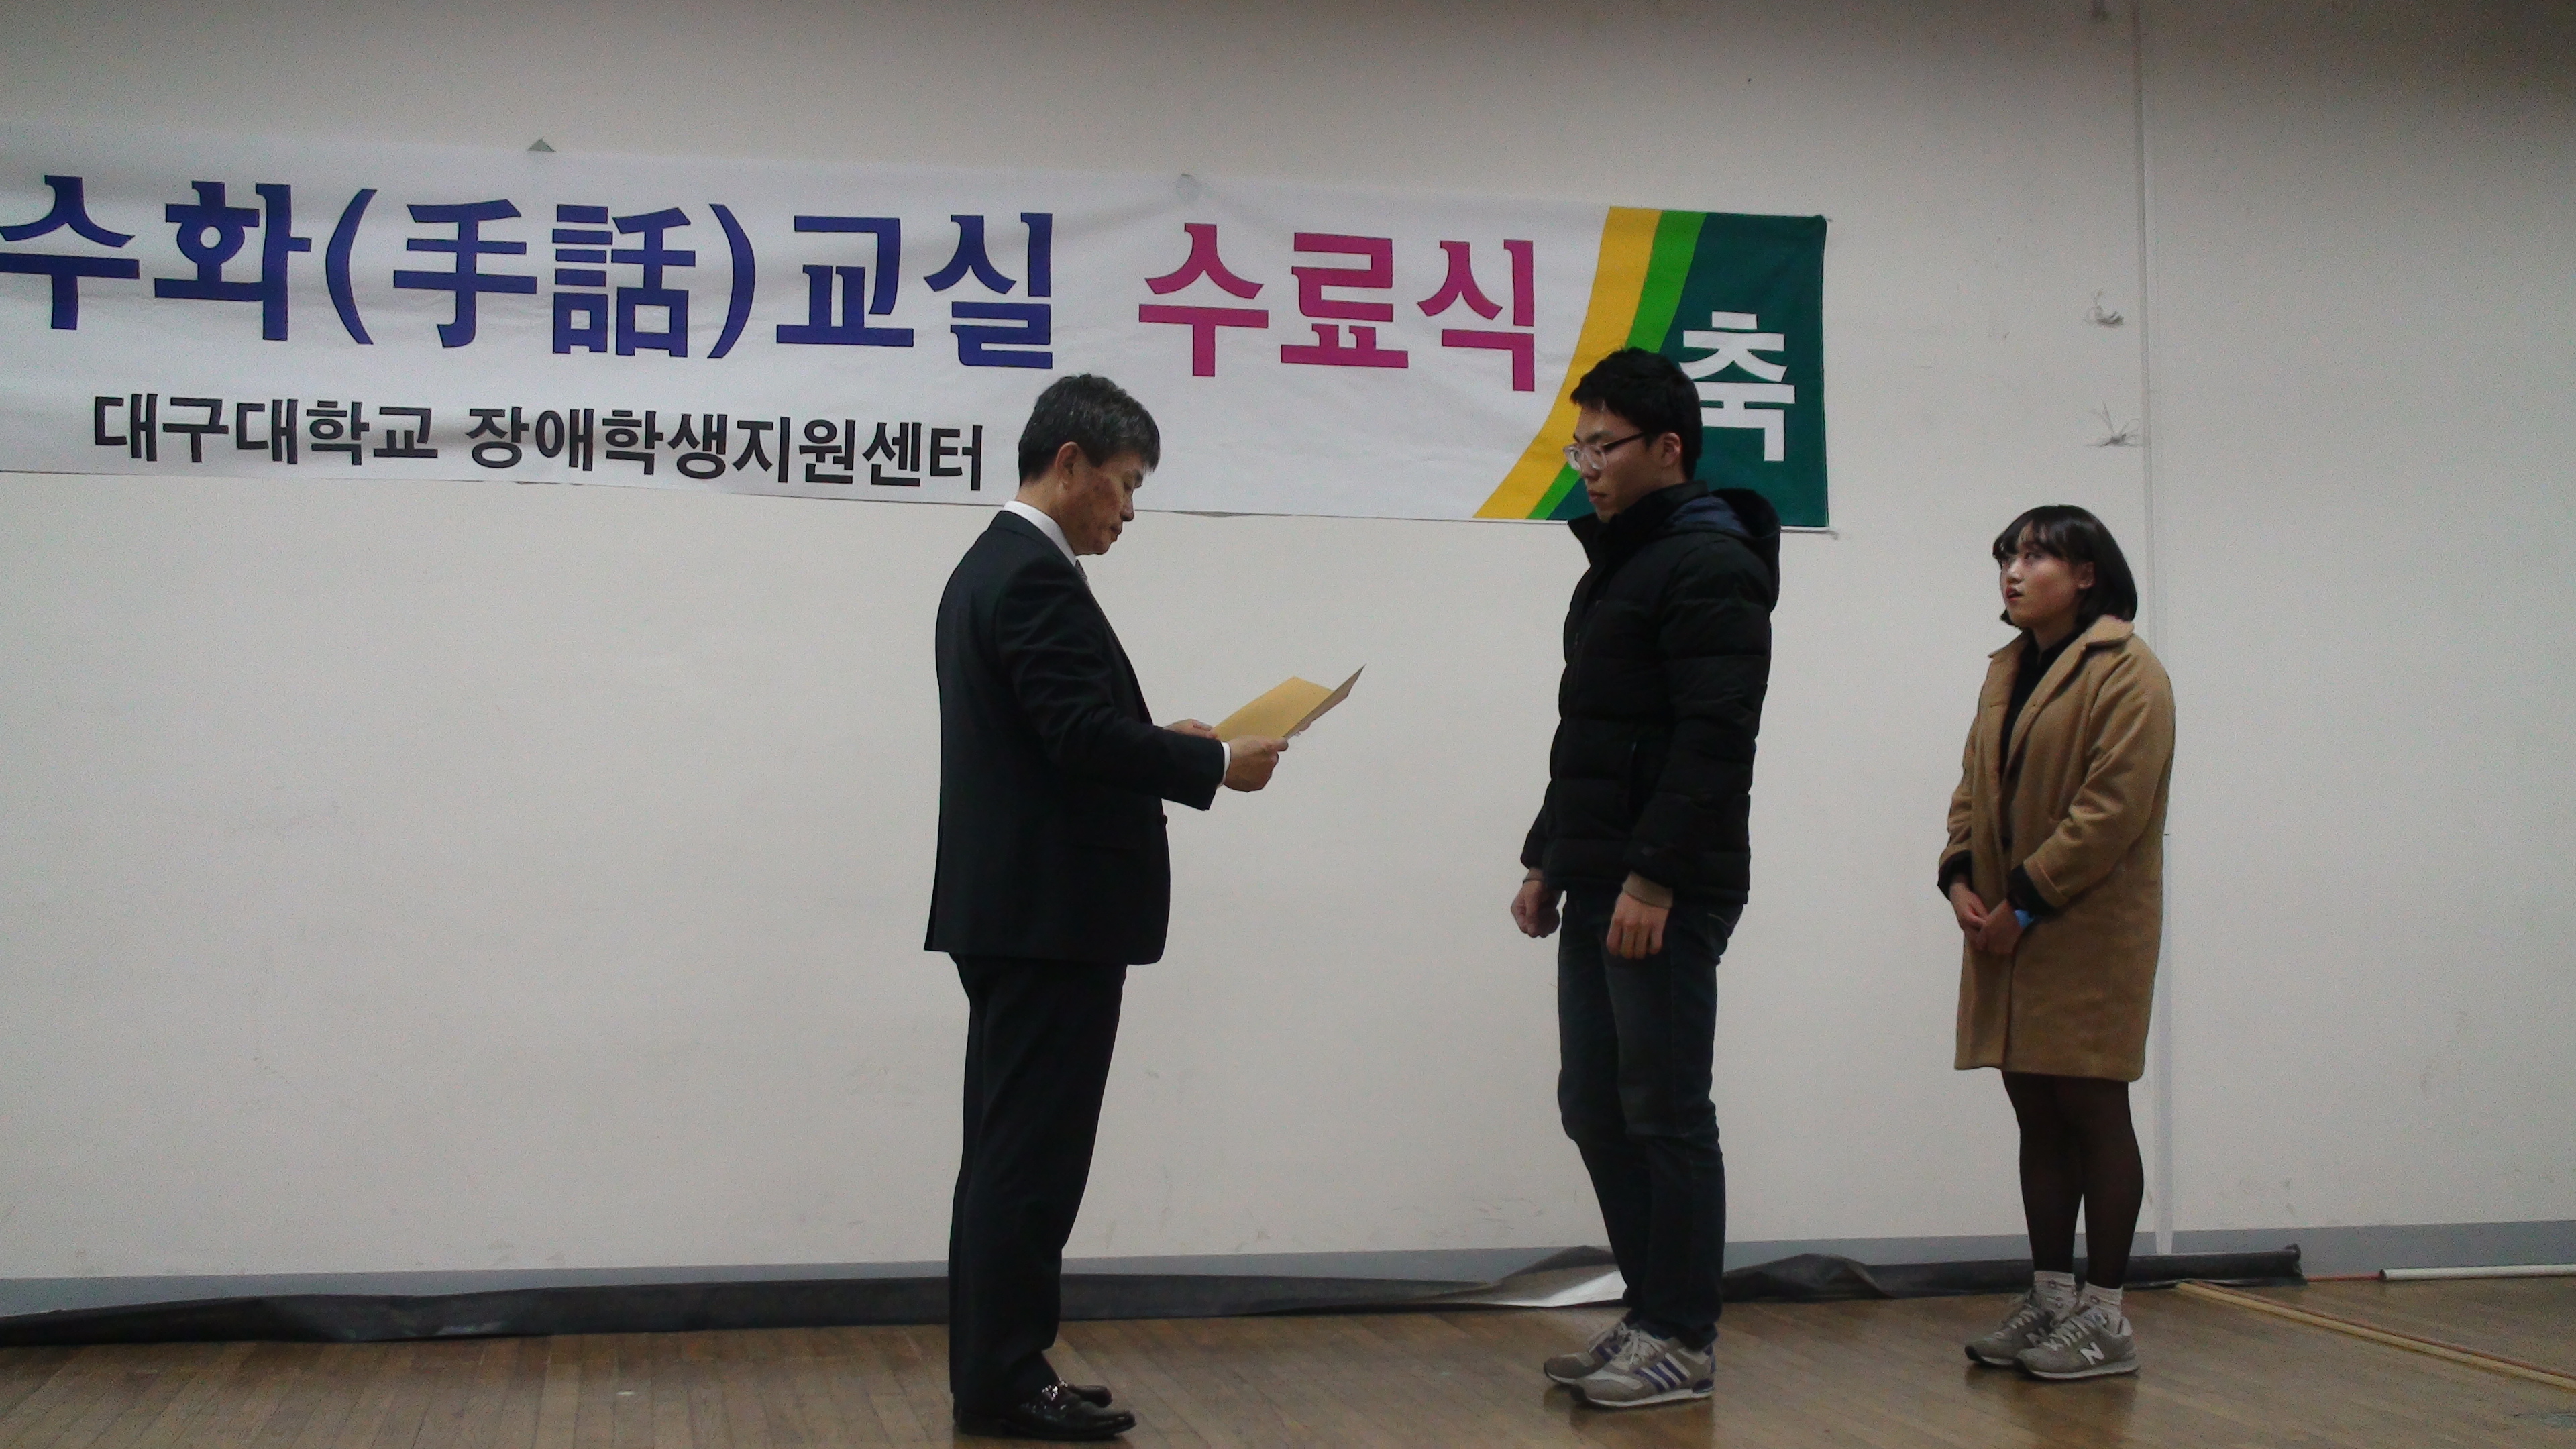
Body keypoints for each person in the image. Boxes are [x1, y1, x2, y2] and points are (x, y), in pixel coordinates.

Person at [927, 374, 1288, 1441]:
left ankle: (1001, 1368)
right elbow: (1077, 737)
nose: (1129, 510)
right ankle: (1004, 1378)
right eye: (1124, 484)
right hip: (1050, 917)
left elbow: (1061, 729)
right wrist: (1213, 762)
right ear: (1070, 463)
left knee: (1009, 1156)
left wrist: (1160, 740)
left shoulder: (993, 566)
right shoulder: (1034, 576)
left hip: (1018, 912)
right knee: (1029, 1163)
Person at [1510, 347, 1780, 1410]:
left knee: (1665, 1108)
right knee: (1594, 1104)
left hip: (1669, 884)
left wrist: (1657, 879)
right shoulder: (1620, 564)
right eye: (1577, 447)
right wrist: (1549, 855)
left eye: (1603, 447)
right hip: (1602, 874)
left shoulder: (1711, 563)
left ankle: (1683, 1335)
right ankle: (1652, 1310)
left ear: (1669, 448)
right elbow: (1592, 733)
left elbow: (1717, 736)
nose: (1585, 466)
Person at [1943, 505, 2174, 1381]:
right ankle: (2049, 1297)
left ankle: (2105, 1318)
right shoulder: (2008, 669)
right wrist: (1960, 878)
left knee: (2092, 1106)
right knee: (2034, 1106)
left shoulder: (2129, 670)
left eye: (2036, 556)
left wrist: (2025, 903)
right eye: (2007, 555)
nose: (2014, 570)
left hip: (2087, 929)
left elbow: (2110, 811)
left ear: (2086, 575)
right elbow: (1973, 788)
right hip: (2006, 925)